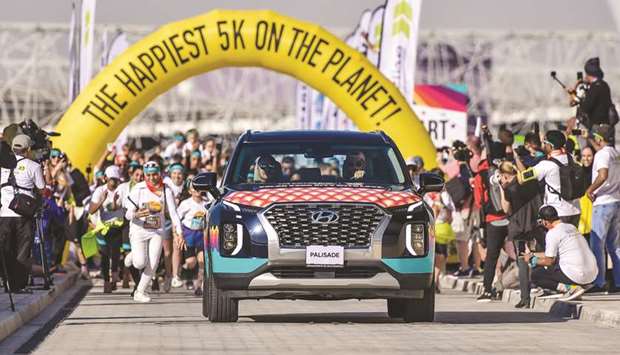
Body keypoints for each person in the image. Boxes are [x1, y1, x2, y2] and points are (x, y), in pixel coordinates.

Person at [124, 161, 182, 303]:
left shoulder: (166, 189)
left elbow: (174, 214)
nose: (151, 178)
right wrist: (136, 214)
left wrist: (179, 233)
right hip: (138, 230)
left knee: (154, 262)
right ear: (144, 175)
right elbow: (127, 214)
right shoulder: (139, 188)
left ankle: (140, 291)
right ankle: (131, 257)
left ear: (160, 174)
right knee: (139, 263)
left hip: (157, 231)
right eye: (148, 175)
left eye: (154, 174)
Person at [0, 134, 45, 292]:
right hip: (24, 216)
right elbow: (42, 189)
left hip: (4, 214)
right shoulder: (34, 166)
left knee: (7, 251)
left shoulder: (3, 166)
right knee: (22, 251)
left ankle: (6, 283)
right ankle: (18, 286)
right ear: (28, 149)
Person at [524, 206, 597, 301]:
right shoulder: (571, 227)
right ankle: (579, 285)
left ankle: (570, 288)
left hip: (578, 275)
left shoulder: (552, 233)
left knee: (537, 275)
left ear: (545, 221)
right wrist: (533, 254)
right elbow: (554, 253)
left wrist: (532, 260)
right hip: (592, 275)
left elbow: (549, 261)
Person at [498, 161, 542, 308]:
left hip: (519, 227)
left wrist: (501, 188)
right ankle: (544, 285)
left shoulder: (510, 188)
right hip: (536, 223)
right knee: (544, 253)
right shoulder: (530, 182)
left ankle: (525, 298)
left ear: (504, 176)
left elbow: (506, 209)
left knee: (522, 262)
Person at [516, 130, 581, 226]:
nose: (543, 146)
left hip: (558, 213)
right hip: (575, 210)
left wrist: (516, 160)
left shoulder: (546, 165)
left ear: (550, 146)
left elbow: (522, 178)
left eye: (544, 143)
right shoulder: (570, 158)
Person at [473, 136, 509, 302]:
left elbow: (479, 200)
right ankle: (524, 284)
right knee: (519, 252)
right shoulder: (509, 167)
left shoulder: (482, 173)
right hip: (512, 216)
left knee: (491, 256)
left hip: (492, 219)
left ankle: (487, 290)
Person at [585, 124, 620, 292]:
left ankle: (599, 282)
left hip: (603, 203)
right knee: (615, 245)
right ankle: (618, 282)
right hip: (616, 201)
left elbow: (603, 174)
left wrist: (590, 189)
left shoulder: (602, 155)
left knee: (597, 244)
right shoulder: (616, 154)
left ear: (599, 138)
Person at [89, 165, 124, 293]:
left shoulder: (121, 190)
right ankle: (106, 281)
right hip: (102, 227)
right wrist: (101, 201)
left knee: (115, 251)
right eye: (112, 179)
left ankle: (114, 273)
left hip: (116, 226)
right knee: (104, 254)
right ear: (105, 178)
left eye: (117, 179)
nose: (115, 182)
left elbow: (119, 207)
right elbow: (91, 210)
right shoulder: (99, 191)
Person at [175, 183, 209, 296]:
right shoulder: (186, 204)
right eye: (194, 188)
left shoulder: (206, 203)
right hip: (188, 233)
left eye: (199, 188)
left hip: (200, 234)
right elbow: (177, 219)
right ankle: (184, 271)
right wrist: (177, 234)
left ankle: (199, 286)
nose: (197, 190)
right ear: (190, 191)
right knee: (191, 262)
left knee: (202, 261)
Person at [573, 58, 613, 131]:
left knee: (592, 142)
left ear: (589, 75)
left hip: (597, 126)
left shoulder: (594, 87)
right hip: (606, 124)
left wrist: (580, 100)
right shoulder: (604, 85)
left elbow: (586, 107)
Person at [578, 146, 595, 242]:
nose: (586, 159)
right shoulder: (578, 171)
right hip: (582, 209)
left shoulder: (597, 172)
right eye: (584, 156)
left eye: (589, 156)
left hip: (593, 207)